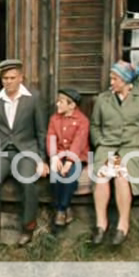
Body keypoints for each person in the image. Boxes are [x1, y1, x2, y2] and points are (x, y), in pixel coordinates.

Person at [90, 60, 139, 246]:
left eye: (115, 78)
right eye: (111, 78)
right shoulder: (103, 99)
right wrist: (100, 143)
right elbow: (95, 126)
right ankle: (101, 224)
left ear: (125, 80)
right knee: (102, 175)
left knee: (122, 175)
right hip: (108, 147)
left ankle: (123, 225)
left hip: (133, 148)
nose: (111, 82)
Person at [0, 59, 48, 246]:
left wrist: (42, 160)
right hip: (0, 152)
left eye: (12, 78)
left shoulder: (33, 98)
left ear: (21, 78)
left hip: (26, 151)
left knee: (28, 182)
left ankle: (28, 226)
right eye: (5, 79)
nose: (8, 82)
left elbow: (41, 132)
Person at [47, 88, 89, 227]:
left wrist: (69, 162)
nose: (57, 104)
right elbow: (51, 138)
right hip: (59, 155)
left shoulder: (82, 121)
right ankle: (65, 209)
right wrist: (54, 158)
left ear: (72, 105)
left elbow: (79, 142)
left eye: (61, 102)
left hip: (76, 157)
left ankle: (61, 208)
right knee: (55, 175)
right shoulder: (54, 119)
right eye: (58, 101)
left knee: (70, 177)